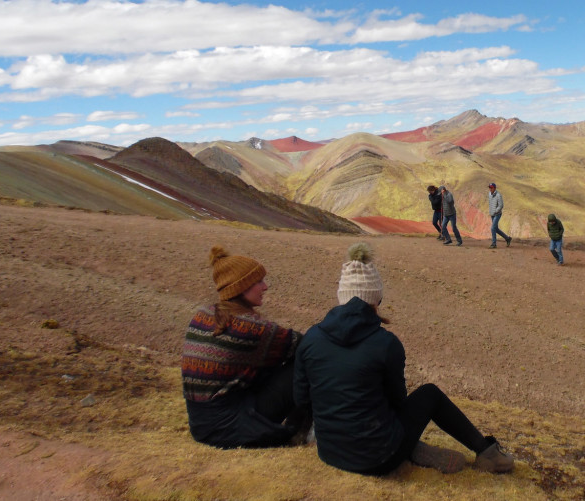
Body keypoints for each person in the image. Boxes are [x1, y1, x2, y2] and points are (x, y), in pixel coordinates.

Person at [294, 243, 515, 475]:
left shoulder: (311, 338)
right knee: (430, 394)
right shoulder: (385, 343)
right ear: (376, 299)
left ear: (342, 297)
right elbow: (397, 401)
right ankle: (488, 455)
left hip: (329, 453)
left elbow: (301, 399)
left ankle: (409, 448)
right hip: (378, 458)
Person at [181, 245, 309, 449]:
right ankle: (300, 430)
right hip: (231, 427)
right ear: (241, 287)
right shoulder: (250, 327)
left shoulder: (202, 314)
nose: (265, 287)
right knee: (307, 360)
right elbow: (306, 345)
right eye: (258, 281)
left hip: (201, 424)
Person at [486, 183, 512, 249]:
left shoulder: (498, 195)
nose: (490, 189)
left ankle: (494, 244)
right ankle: (507, 238)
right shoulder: (489, 194)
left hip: (497, 214)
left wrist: (495, 211)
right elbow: (490, 203)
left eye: (491, 188)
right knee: (496, 229)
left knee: (492, 228)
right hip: (492, 214)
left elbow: (501, 205)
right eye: (489, 187)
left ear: (494, 188)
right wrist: (491, 211)